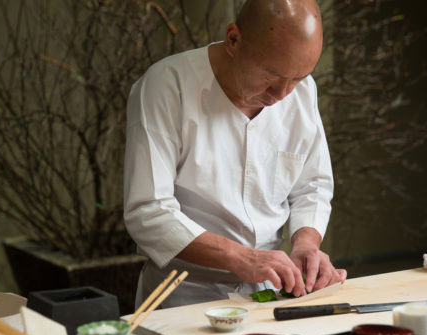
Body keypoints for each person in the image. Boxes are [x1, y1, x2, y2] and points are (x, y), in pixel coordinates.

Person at [124, 0, 346, 308]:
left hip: (269, 292)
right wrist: (241, 257)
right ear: (233, 40)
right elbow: (148, 211)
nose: (283, 94)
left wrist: (306, 243)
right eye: (272, 74)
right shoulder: (167, 85)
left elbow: (313, 185)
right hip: (182, 292)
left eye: (297, 78)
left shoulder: (302, 92)